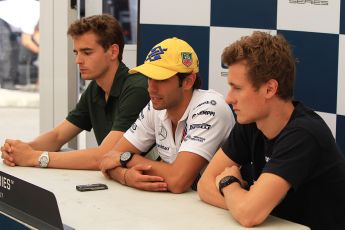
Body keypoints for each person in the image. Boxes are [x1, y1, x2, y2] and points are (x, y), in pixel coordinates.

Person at [197, 31, 345, 229]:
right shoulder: (250, 122)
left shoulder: (304, 134)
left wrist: (229, 183)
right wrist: (241, 205)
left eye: (237, 88)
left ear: (269, 89)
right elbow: (204, 185)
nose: (229, 98)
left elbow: (249, 215)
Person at [1, 14, 149, 170]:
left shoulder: (136, 88)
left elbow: (103, 156)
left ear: (113, 52)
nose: (78, 60)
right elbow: (58, 136)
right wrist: (21, 150)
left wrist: (34, 157)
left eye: (87, 52)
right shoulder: (95, 88)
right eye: (76, 53)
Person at [99, 37, 235, 193]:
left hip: (222, 210)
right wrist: (125, 176)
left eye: (160, 79)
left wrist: (128, 159)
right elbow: (108, 159)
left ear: (188, 81)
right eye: (149, 78)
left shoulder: (210, 108)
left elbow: (178, 181)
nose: (151, 88)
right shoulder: (156, 106)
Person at [0, 0, 39, 89]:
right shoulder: (34, 15)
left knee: (15, 51)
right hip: (2, 19)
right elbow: (26, 41)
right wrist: (41, 51)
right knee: (6, 51)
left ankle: (10, 82)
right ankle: (6, 83)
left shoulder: (39, 11)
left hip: (10, 23)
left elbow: (36, 34)